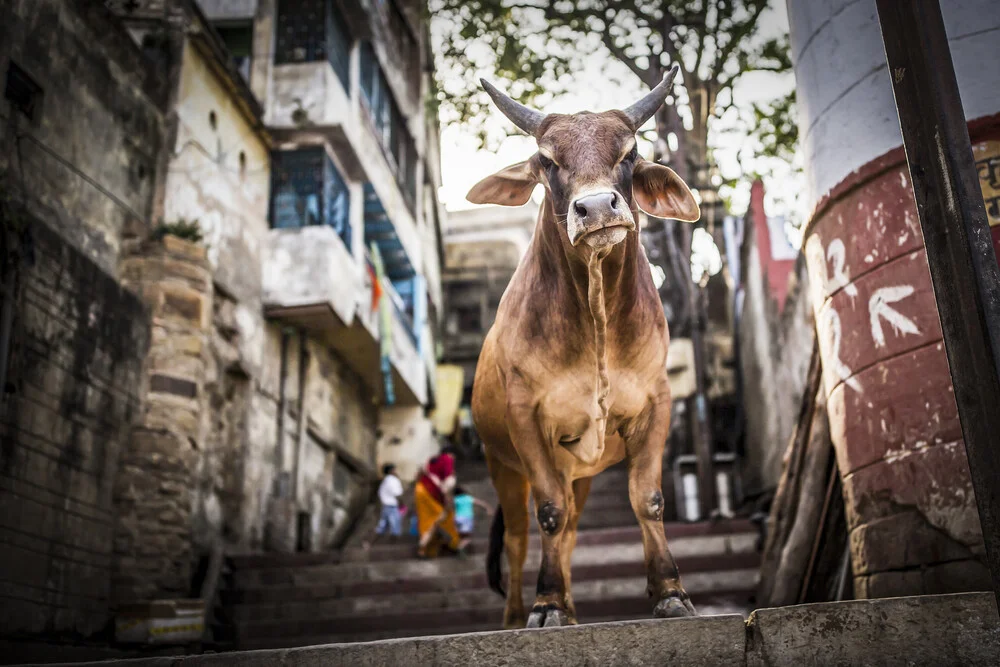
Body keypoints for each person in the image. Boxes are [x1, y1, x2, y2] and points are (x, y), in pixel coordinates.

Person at [414, 447, 461, 558]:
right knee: (446, 517)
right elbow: (448, 483)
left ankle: (423, 548)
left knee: (427, 519)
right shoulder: (447, 459)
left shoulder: (432, 460)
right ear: (451, 454)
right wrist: (448, 499)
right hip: (431, 493)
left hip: (421, 489)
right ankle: (454, 544)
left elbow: (420, 473)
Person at [369, 463, 404, 546]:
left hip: (386, 506)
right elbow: (397, 494)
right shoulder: (392, 480)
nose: (396, 471)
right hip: (391, 507)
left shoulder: (386, 480)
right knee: (395, 527)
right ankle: (393, 545)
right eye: (395, 469)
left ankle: (368, 543)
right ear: (391, 471)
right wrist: (402, 503)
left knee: (382, 526)